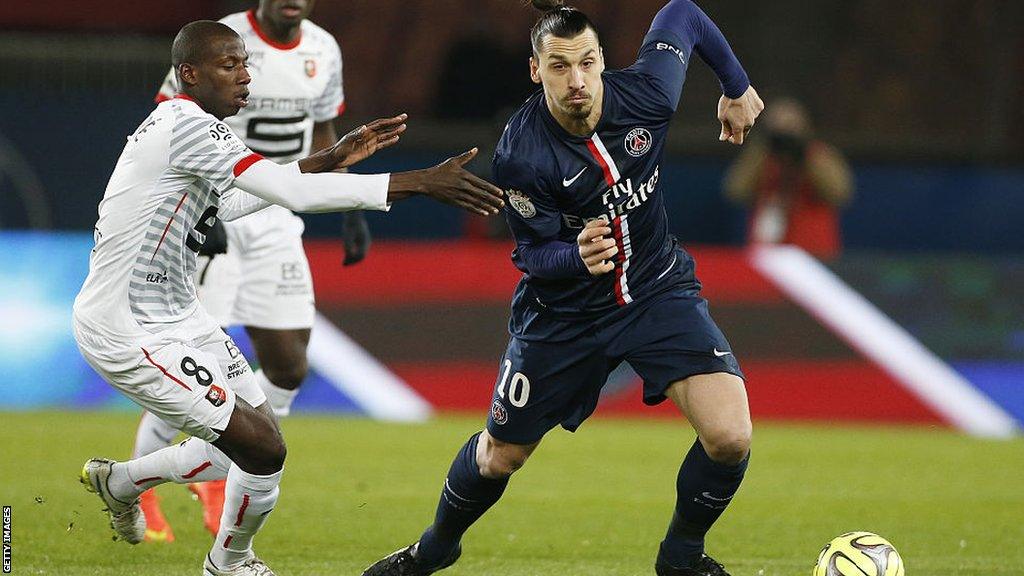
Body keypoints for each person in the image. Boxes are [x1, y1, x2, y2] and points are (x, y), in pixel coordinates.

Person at [74, 20, 503, 576]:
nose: (245, 78)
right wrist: (415, 181)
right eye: (230, 66)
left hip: (179, 316)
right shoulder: (187, 127)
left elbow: (227, 207)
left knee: (259, 438)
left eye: (246, 64)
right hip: (127, 327)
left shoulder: (192, 128)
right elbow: (290, 194)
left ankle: (121, 481)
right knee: (263, 451)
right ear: (189, 73)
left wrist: (326, 158)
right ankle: (230, 563)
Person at [361, 1, 762, 575]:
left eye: (587, 63)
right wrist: (575, 255)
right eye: (558, 67)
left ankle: (681, 557)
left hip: (655, 290)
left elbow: (683, 12)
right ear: (535, 70)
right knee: (502, 456)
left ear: (602, 61)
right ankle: (434, 548)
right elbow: (531, 254)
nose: (577, 81)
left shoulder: (647, 93)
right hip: (564, 315)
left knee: (731, 437)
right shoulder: (522, 151)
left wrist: (736, 85)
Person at [136, 0, 368, 541]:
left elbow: (322, 131)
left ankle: (216, 466)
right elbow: (167, 119)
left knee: (288, 366)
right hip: (216, 208)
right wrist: (199, 205)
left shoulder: (323, 49)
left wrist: (348, 207)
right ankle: (144, 489)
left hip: (280, 216)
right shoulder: (220, 41)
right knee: (193, 366)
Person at [723, 98, 853, 259]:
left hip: (814, 254)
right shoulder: (761, 157)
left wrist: (804, 151)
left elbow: (839, 193)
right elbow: (735, 190)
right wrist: (763, 147)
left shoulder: (820, 155)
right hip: (768, 254)